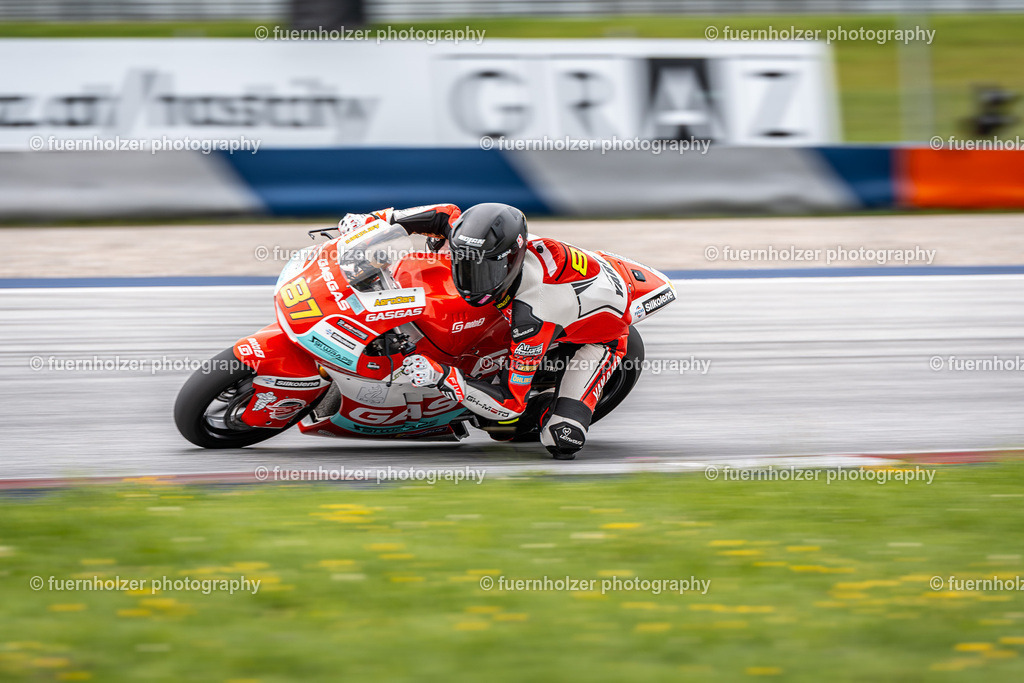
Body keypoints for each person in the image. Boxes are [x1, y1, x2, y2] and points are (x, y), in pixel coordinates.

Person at [338, 203, 632, 460]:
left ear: (510, 261)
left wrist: (443, 376)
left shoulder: (535, 313)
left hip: (596, 337)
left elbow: (510, 403)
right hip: (561, 286)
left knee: (556, 437)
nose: (469, 279)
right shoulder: (477, 241)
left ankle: (549, 410)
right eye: (463, 263)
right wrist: (371, 222)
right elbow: (444, 213)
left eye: (482, 271)